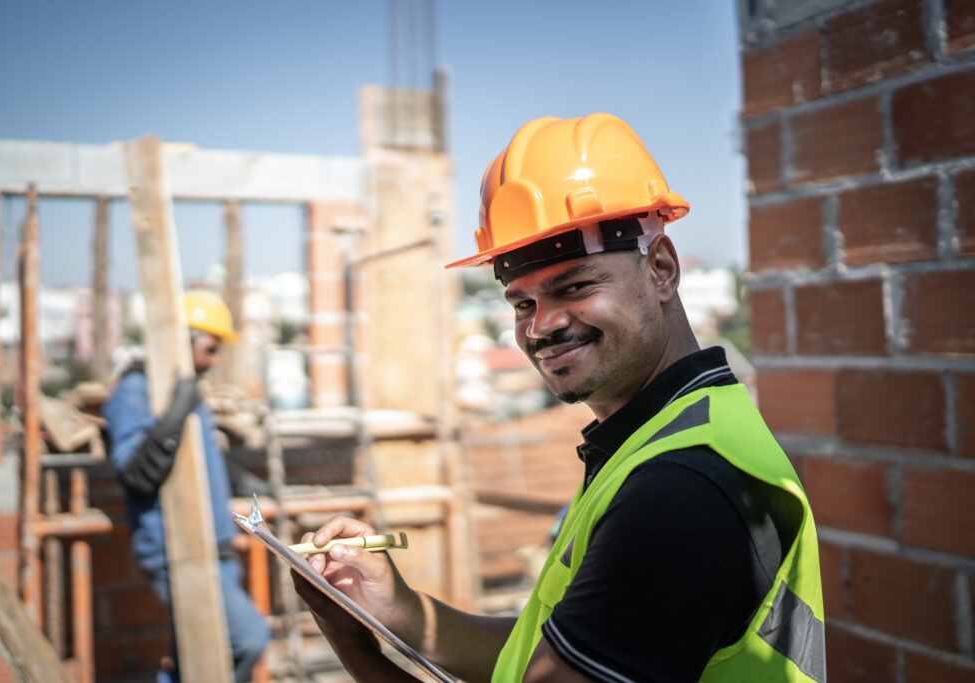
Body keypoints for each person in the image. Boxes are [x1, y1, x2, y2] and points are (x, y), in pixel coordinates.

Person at [291, 113, 825, 682]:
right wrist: (396, 611)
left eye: (574, 286)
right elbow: (546, 655)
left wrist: (357, 650)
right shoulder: (672, 436)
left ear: (662, 269)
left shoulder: (677, 490)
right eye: (522, 303)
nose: (541, 326)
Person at [103, 291, 270, 683]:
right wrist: (175, 412)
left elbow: (197, 462)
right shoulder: (136, 390)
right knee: (248, 639)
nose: (213, 361)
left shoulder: (188, 390)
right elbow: (137, 473)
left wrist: (247, 482)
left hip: (213, 548)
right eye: (210, 349)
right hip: (179, 553)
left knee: (194, 660)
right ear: (182, 340)